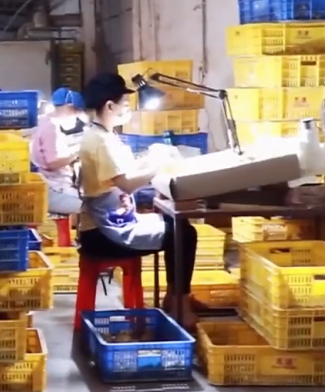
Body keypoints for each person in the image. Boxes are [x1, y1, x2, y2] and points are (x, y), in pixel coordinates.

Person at [76, 72, 201, 328]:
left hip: (113, 221)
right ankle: (179, 304)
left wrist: (151, 157)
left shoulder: (104, 135)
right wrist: (158, 166)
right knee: (184, 234)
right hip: (103, 233)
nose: (128, 108)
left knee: (178, 227)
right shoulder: (98, 141)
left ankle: (176, 298)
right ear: (109, 106)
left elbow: (123, 172)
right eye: (125, 103)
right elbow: (127, 183)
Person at [30, 87, 87, 217]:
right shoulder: (51, 126)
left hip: (50, 184)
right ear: (69, 107)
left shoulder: (42, 121)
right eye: (76, 112)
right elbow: (52, 163)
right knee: (90, 209)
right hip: (54, 188)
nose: (77, 117)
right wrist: (77, 154)